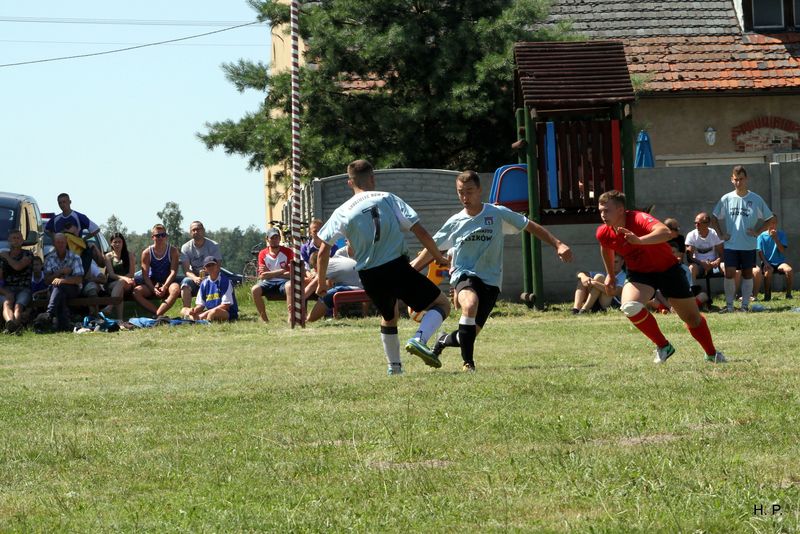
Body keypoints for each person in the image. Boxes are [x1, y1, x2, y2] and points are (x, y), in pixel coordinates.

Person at [414, 170, 572, 372]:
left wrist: (558, 244)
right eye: (460, 192)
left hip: (491, 280)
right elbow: (431, 249)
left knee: (467, 335)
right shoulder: (455, 222)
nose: (465, 197)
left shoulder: (497, 214)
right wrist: (410, 271)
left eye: (469, 191)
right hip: (464, 274)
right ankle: (468, 364)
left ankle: (443, 340)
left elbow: (529, 225)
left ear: (480, 190)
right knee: (469, 305)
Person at [315, 159, 451, 375]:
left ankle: (394, 368)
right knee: (442, 304)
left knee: (389, 316)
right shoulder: (388, 198)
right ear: (372, 178)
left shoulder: (342, 211)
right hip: (397, 267)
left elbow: (322, 252)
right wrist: (438, 257)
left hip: (369, 275)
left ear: (350, 183)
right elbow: (421, 231)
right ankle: (419, 339)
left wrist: (321, 283)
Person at [595, 190, 725, 363]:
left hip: (668, 270)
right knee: (630, 306)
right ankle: (663, 346)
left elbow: (665, 233)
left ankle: (712, 354)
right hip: (640, 274)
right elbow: (606, 246)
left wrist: (639, 240)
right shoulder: (603, 232)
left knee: (692, 319)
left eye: (607, 210)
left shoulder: (638, 218)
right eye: (601, 210)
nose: (603, 215)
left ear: (620, 210)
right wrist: (610, 275)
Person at [710, 165, 774, 313]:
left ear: (747, 179)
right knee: (729, 273)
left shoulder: (756, 199)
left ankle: (744, 306)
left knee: (747, 274)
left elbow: (770, 218)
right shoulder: (726, 198)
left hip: (749, 245)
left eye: (741, 179)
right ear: (732, 180)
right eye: (736, 179)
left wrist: (758, 232)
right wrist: (721, 235)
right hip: (731, 244)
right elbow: (713, 217)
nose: (739, 182)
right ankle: (730, 306)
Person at [35, 233, 84, 332]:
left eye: (62, 242)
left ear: (66, 243)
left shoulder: (75, 257)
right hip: (54, 290)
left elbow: (79, 279)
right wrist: (60, 272)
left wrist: (62, 281)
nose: (60, 244)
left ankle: (48, 314)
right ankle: (63, 325)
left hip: (73, 289)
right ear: (54, 244)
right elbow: (47, 280)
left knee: (59, 286)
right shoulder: (49, 258)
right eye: (58, 242)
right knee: (59, 291)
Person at [132, 224, 181, 317]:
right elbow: (145, 275)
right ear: (152, 237)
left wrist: (165, 286)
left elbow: (173, 272)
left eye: (163, 235)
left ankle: (158, 314)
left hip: (168, 282)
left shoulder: (173, 251)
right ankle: (157, 313)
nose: (161, 238)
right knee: (136, 292)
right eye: (158, 236)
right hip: (153, 282)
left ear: (166, 236)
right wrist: (153, 288)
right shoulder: (146, 253)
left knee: (176, 289)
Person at [305, 251, 362, 323]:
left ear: (318, 263)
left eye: (315, 269)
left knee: (327, 296)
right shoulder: (336, 260)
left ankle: (308, 320)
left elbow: (311, 286)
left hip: (357, 287)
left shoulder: (326, 265)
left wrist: (297, 301)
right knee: (330, 289)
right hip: (361, 285)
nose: (316, 271)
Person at [251, 227, 293, 323]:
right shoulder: (262, 253)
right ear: (267, 239)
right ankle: (264, 319)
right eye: (272, 238)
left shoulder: (288, 252)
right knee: (255, 290)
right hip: (267, 282)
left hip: (284, 282)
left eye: (276, 237)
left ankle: (291, 317)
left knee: (290, 286)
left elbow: (291, 274)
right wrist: (282, 270)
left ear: (280, 238)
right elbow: (262, 276)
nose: (274, 240)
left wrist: (270, 272)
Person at [179, 221, 223, 308]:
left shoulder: (213, 245)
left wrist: (208, 277)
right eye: (193, 230)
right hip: (195, 278)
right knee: (185, 283)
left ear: (203, 230)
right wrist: (195, 278)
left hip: (212, 276)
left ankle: (218, 308)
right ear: (190, 232)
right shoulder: (186, 247)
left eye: (198, 229)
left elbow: (217, 267)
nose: (196, 232)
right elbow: (186, 270)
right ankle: (187, 312)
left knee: (221, 280)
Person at [181, 256, 238, 322]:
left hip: (227, 313)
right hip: (210, 311)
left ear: (217, 266)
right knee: (184, 310)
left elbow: (226, 305)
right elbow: (201, 305)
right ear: (205, 269)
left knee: (213, 312)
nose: (211, 267)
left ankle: (199, 319)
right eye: (208, 266)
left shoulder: (225, 281)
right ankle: (199, 318)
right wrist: (194, 310)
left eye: (212, 265)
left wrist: (205, 313)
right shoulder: (204, 283)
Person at [0, 229, 33, 334]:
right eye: (13, 238)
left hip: (24, 288)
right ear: (9, 240)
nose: (16, 240)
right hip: (8, 288)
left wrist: (6, 257)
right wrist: (6, 292)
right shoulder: (3, 258)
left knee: (18, 306)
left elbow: (18, 266)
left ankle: (12, 327)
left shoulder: (28, 254)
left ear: (22, 240)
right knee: (7, 303)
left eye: (18, 238)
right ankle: (11, 324)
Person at [757, 215, 794, 300]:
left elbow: (782, 250)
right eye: (770, 222)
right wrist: (765, 262)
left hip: (780, 262)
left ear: (776, 223)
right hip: (767, 262)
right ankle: (767, 296)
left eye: (774, 222)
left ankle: (788, 294)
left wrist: (775, 239)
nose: (772, 225)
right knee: (768, 272)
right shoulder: (761, 236)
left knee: (789, 270)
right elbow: (759, 251)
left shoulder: (781, 234)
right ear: (766, 224)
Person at [102, 232, 137, 319]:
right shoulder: (108, 256)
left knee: (121, 283)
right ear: (111, 243)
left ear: (123, 243)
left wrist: (125, 279)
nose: (117, 244)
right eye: (115, 242)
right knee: (120, 287)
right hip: (112, 284)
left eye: (119, 242)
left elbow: (132, 273)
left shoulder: (129, 255)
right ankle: (120, 320)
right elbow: (112, 274)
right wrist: (124, 278)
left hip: (128, 284)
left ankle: (110, 306)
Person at [685, 212, 724, 283]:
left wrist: (717, 261)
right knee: (691, 268)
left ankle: (731, 293)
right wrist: (702, 263)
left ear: (707, 224)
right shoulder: (691, 235)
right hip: (699, 265)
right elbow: (689, 257)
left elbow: (722, 254)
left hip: (714, 266)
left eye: (699, 223)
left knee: (726, 267)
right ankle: (692, 292)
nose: (696, 225)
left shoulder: (715, 234)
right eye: (695, 223)